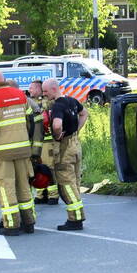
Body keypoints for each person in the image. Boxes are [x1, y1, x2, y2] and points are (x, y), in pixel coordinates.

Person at [0, 70, 40, 236]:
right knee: (23, 186)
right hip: (23, 150)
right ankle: (29, 222)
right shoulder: (20, 95)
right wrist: (27, 141)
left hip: (2, 153)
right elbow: (31, 121)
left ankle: (11, 225)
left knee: (7, 188)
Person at [44, 78, 89, 230]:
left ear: (54, 89)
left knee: (66, 183)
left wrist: (57, 135)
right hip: (76, 144)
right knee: (75, 182)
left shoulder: (58, 106)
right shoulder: (72, 101)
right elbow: (84, 114)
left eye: (45, 91)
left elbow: (57, 125)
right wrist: (76, 129)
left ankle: (75, 219)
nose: (44, 94)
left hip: (65, 148)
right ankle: (78, 216)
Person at [27, 80, 58, 205]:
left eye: (32, 88)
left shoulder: (49, 103)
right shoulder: (31, 103)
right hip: (36, 142)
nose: (29, 90)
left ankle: (53, 195)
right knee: (37, 167)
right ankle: (40, 193)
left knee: (49, 167)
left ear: (39, 89)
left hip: (47, 141)